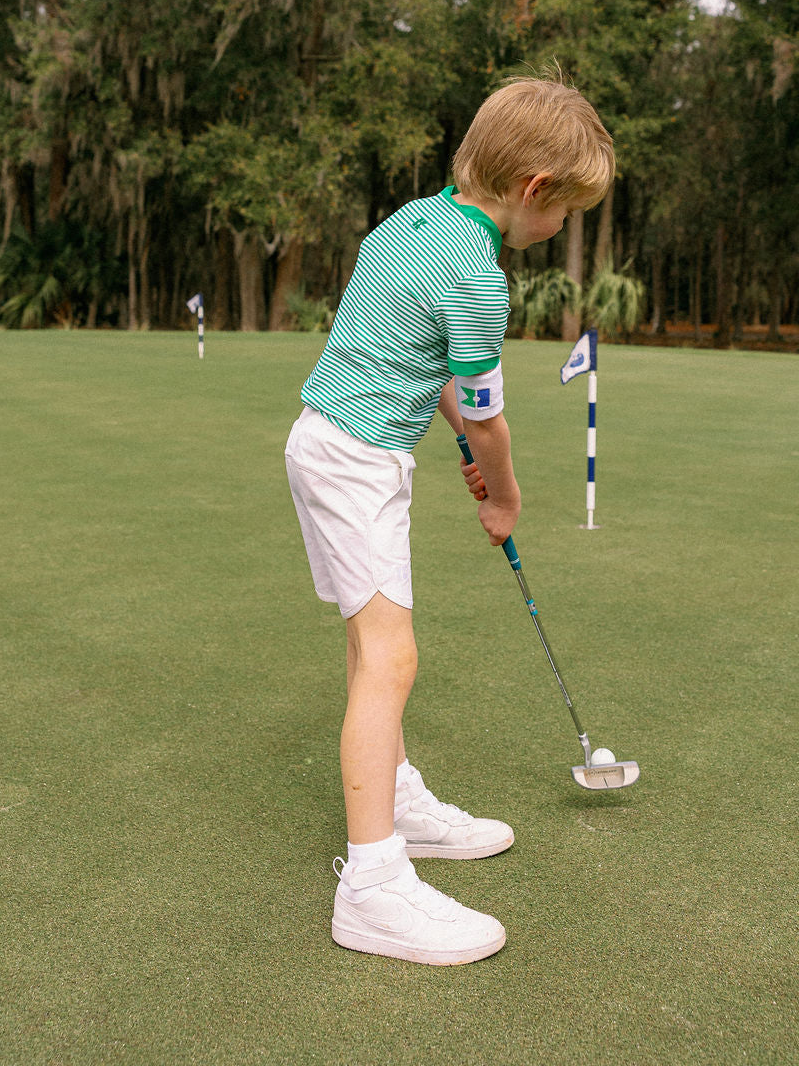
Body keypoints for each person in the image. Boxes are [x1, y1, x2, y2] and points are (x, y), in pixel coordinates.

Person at [284, 76, 614, 965]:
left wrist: (454, 429)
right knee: (392, 656)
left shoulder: (411, 223)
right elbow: (486, 419)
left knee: (368, 643)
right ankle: (374, 885)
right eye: (567, 214)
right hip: (356, 460)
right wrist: (502, 495)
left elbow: (410, 355)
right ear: (535, 189)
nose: (560, 232)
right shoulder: (478, 272)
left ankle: (399, 800)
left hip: (327, 439)